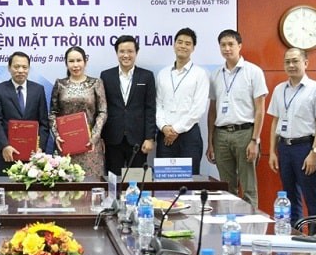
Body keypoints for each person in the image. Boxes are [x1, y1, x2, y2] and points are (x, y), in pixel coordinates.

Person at [207, 29, 267, 207]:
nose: (227, 48)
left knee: (248, 187)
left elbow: (260, 109)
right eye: (223, 45)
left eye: (231, 44)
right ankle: (229, 220)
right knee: (226, 188)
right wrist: (210, 142)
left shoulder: (253, 72)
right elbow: (212, 110)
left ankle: (251, 222)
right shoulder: (216, 74)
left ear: (239, 46)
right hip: (221, 135)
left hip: (245, 134)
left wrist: (255, 140)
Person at [267, 48, 316, 222]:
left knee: (311, 195)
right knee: (289, 195)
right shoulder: (279, 89)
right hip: (284, 148)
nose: (291, 65)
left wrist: (314, 152)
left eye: (295, 61)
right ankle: (295, 232)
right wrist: (272, 152)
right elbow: (275, 122)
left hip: (305, 148)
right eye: (287, 62)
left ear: (305, 63)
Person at [100, 35, 156, 176]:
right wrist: (101, 138)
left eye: (130, 51)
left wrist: (150, 138)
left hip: (138, 140)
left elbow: (150, 108)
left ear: (136, 52)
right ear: (117, 53)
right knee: (113, 181)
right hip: (113, 139)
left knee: (137, 180)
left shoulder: (146, 76)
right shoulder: (106, 76)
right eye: (122, 51)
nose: (126, 55)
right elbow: (102, 108)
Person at [155, 28, 209, 175]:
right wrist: (164, 127)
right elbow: (158, 104)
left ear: (193, 48)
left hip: (189, 136)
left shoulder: (200, 74)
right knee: (164, 181)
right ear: (174, 45)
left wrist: (176, 129)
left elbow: (198, 108)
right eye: (180, 42)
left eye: (187, 43)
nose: (183, 46)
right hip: (165, 136)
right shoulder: (163, 74)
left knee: (189, 180)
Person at [49, 46, 107, 177]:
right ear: (66, 63)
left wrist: (94, 136)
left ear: (85, 62)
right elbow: (53, 113)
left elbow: (102, 112)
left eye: (79, 60)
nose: (75, 65)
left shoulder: (95, 83)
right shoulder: (60, 84)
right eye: (71, 61)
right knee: (66, 184)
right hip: (65, 144)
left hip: (90, 145)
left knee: (91, 184)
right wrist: (57, 135)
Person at [0, 51, 49, 175]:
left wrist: (40, 147)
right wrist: (5, 145)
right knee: (5, 187)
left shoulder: (38, 90)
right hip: (7, 154)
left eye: (24, 67)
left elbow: (44, 123)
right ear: (9, 68)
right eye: (16, 67)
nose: (21, 70)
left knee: (32, 188)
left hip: (33, 156)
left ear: (29, 68)